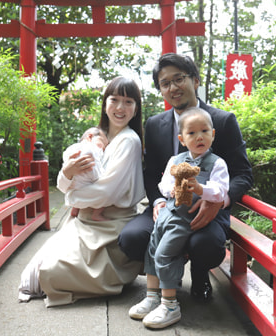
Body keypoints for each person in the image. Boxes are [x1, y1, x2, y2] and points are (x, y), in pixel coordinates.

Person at [118, 53, 253, 302]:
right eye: (165, 83)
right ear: (161, 90)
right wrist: (158, 201)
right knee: (131, 238)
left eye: (178, 79)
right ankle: (169, 276)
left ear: (195, 80)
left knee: (207, 245)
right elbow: (151, 173)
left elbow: (243, 174)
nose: (173, 87)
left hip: (206, 205)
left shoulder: (222, 121)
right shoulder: (155, 124)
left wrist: (218, 201)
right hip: (169, 205)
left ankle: (200, 273)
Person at [18, 76, 145, 307]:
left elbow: (106, 194)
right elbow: (67, 178)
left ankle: (106, 274)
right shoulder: (96, 136)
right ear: (105, 103)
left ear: (136, 108)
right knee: (33, 272)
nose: (120, 107)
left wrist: (71, 198)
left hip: (110, 225)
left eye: (128, 102)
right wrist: (66, 173)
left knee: (49, 272)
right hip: (84, 221)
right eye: (114, 99)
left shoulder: (129, 141)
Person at [129, 107, 230, 329]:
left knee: (165, 254)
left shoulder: (217, 163)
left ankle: (170, 305)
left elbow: (221, 191)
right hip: (167, 214)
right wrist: (170, 191)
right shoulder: (176, 159)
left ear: (213, 134)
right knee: (152, 250)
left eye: (204, 131)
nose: (199, 137)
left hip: (186, 219)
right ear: (182, 139)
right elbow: (163, 182)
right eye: (192, 133)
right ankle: (152, 296)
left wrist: (201, 189)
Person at [61, 127, 109, 221]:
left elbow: (65, 161)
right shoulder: (92, 150)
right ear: (90, 137)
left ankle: (74, 210)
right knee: (105, 193)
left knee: (78, 187)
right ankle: (97, 214)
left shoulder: (72, 148)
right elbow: (95, 169)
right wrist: (102, 177)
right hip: (86, 185)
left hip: (73, 187)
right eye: (102, 143)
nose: (103, 148)